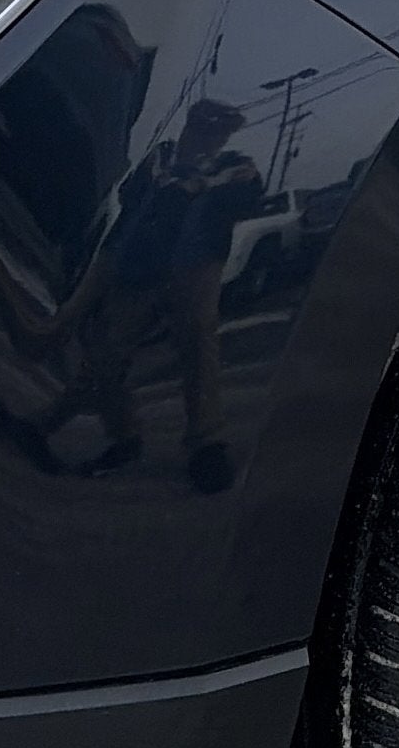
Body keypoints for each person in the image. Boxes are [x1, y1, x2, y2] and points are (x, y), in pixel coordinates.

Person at [67, 99, 267, 492]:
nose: (208, 136)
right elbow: (129, 196)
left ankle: (206, 444)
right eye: (203, 127)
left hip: (197, 264)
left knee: (197, 341)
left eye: (218, 130)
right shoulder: (160, 156)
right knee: (107, 348)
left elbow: (248, 198)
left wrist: (203, 184)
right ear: (190, 124)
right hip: (143, 264)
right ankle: (123, 435)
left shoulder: (235, 165)